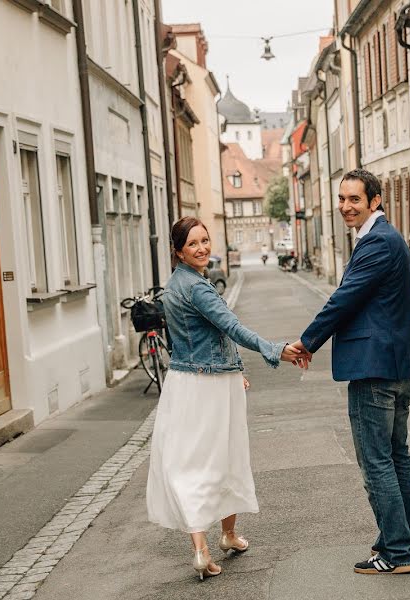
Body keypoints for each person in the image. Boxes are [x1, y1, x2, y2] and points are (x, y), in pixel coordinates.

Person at [146, 216, 308, 581]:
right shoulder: (199, 289)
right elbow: (231, 327)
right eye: (193, 244)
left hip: (184, 383)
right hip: (211, 389)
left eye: (205, 240)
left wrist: (235, 369)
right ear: (178, 251)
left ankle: (214, 542)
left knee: (191, 463)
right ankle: (217, 540)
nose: (202, 248)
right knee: (224, 458)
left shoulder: (172, 287)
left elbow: (192, 342)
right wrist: (277, 349)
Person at [292, 169, 410, 575]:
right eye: (341, 198)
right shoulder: (389, 239)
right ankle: (405, 539)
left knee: (377, 461)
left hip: (375, 371)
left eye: (354, 199)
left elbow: (343, 300)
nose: (345, 206)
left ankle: (397, 552)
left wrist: (306, 342)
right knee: (397, 455)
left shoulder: (376, 243)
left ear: (375, 201)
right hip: (398, 366)